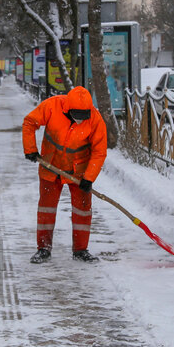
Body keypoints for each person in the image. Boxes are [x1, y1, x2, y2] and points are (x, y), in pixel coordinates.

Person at [22, 86, 107, 264]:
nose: (79, 119)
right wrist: (30, 149)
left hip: (79, 171)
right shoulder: (52, 106)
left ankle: (81, 250)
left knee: (82, 211)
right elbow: (30, 122)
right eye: (77, 114)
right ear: (68, 108)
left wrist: (89, 178)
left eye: (84, 116)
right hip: (51, 165)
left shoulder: (95, 118)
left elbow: (99, 151)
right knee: (46, 208)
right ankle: (43, 248)